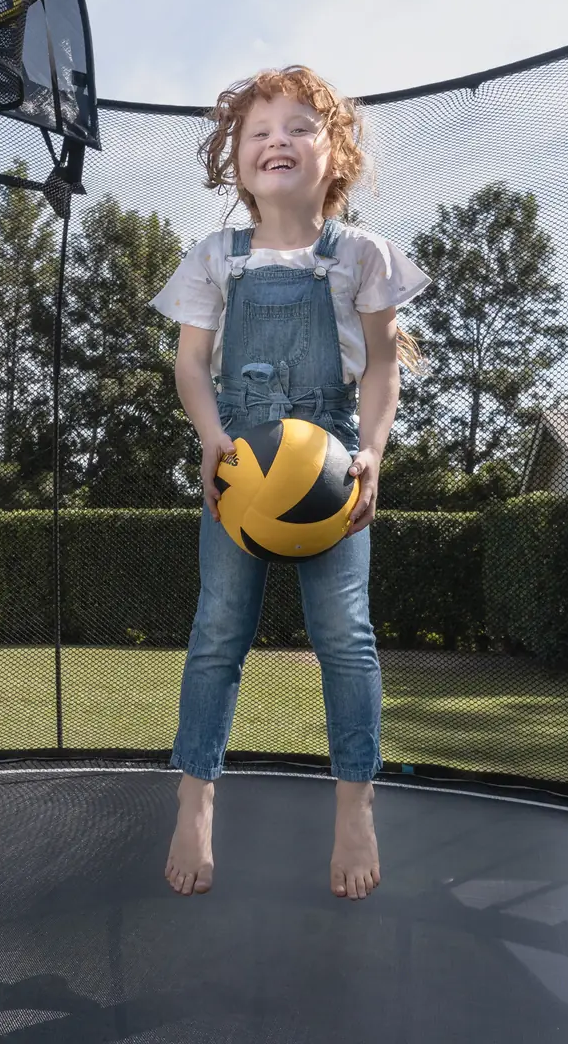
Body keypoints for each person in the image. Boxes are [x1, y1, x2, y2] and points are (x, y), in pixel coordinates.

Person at [147, 65, 431, 901]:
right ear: (236, 157)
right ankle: (195, 799)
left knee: (345, 634)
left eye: (301, 127)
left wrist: (372, 452)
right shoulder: (214, 258)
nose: (279, 139)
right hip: (239, 466)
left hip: (333, 466)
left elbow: (381, 365)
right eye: (259, 129)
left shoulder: (363, 254)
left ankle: (356, 805)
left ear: (334, 153)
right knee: (218, 631)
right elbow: (191, 365)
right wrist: (212, 441)